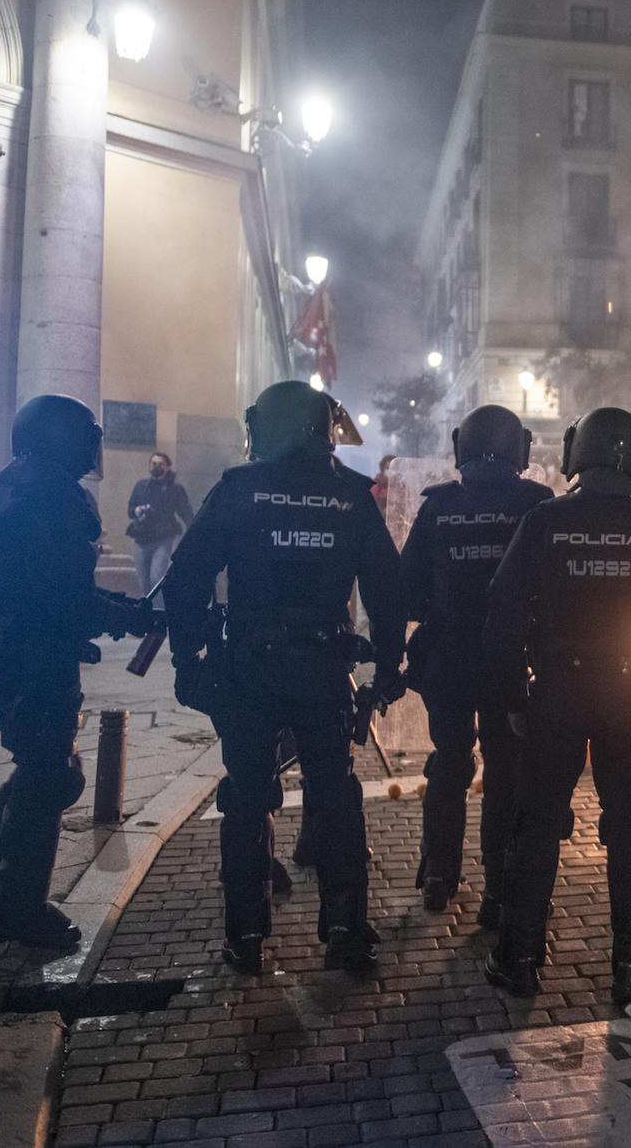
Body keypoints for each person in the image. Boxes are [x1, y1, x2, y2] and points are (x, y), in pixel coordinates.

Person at [163, 381, 406, 973]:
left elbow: (185, 576)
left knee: (246, 799)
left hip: (249, 671)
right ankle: (346, 927)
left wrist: (187, 657)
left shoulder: (239, 489)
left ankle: (245, 936)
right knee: (337, 796)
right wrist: (389, 665)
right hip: (324, 672)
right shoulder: (351, 495)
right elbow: (387, 589)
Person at [480, 407, 631, 1004]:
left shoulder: (545, 520)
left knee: (536, 827)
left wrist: (513, 698)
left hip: (558, 692)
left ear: (574, 454)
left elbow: (502, 614)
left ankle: (520, 958)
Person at [0, 395, 155, 947]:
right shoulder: (54, 499)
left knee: (39, 768)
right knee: (48, 778)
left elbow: (47, 578)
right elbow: (65, 595)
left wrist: (115, 607)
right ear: (60, 437)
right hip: (40, 653)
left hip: (16, 642)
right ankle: (18, 908)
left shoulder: (12, 486)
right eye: (86, 434)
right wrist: (124, 615)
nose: (93, 446)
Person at [400, 405, 552, 922]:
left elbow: (408, 591)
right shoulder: (536, 504)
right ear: (520, 449)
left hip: (449, 661)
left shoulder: (438, 508)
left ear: (460, 447)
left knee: (450, 762)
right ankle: (499, 882)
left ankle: (440, 870)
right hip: (511, 663)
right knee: (505, 770)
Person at [127, 451, 195, 599]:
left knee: (156, 577)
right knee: (142, 579)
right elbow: (131, 509)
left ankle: (159, 611)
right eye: (154, 463)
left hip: (162, 539)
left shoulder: (175, 489)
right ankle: (145, 611)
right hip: (141, 538)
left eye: (160, 464)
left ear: (168, 467)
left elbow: (186, 513)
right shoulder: (141, 486)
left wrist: (194, 532)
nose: (156, 466)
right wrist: (137, 510)